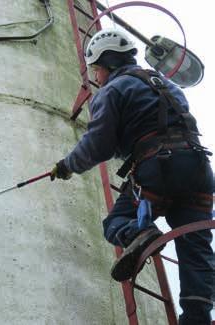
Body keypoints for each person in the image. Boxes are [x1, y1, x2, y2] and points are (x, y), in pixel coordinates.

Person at [51, 27, 214, 325]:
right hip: (198, 167)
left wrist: (67, 166)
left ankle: (137, 233)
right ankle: (197, 318)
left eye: (97, 69)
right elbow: (152, 124)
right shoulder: (165, 84)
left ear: (106, 63)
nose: (96, 76)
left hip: (158, 169)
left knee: (115, 221)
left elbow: (98, 144)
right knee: (195, 246)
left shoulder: (113, 90)